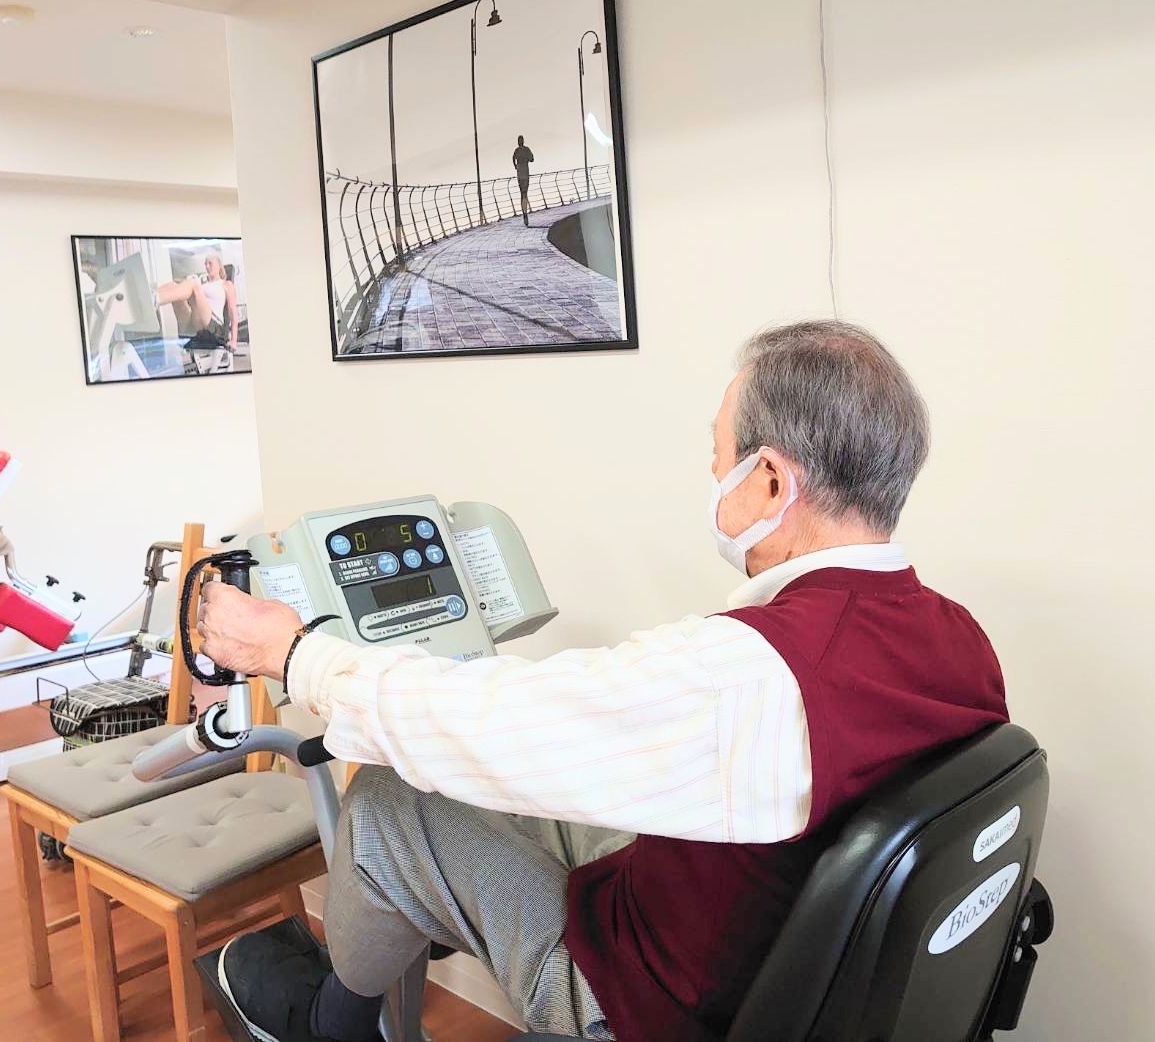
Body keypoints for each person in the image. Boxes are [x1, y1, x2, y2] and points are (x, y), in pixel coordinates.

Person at [198, 320, 1009, 1042]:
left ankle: (326, 1023)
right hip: (771, 954)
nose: (713, 472)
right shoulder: (957, 636)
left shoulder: (748, 671)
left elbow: (498, 723)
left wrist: (295, 654)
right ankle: (386, 940)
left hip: (642, 1003)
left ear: (769, 481)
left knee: (386, 795)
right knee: (485, 781)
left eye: (718, 453)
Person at [154, 251, 239, 353]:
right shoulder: (203, 285)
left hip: (214, 326)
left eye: (210, 263)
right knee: (173, 285)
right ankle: (152, 296)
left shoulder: (226, 284)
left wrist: (234, 340)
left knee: (193, 283)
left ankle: (156, 299)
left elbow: (233, 313)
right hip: (195, 323)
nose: (207, 266)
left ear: (218, 265)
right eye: (205, 264)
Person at [512, 134, 535, 225]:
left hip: (519, 175)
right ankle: (525, 212)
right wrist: (526, 159)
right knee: (525, 193)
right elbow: (532, 159)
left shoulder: (516, 150)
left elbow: (513, 158)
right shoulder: (526, 149)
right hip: (525, 174)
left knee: (522, 194)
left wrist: (515, 166)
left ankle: (524, 213)